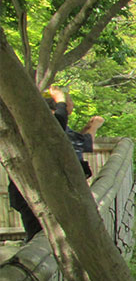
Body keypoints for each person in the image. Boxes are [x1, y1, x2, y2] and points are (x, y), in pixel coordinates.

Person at [7, 86, 105, 241]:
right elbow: (65, 134)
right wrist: (61, 101)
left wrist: (88, 128)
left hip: (41, 191)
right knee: (42, 238)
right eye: (68, 102)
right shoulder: (42, 124)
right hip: (36, 192)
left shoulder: (47, 125)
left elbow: (75, 142)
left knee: (45, 237)